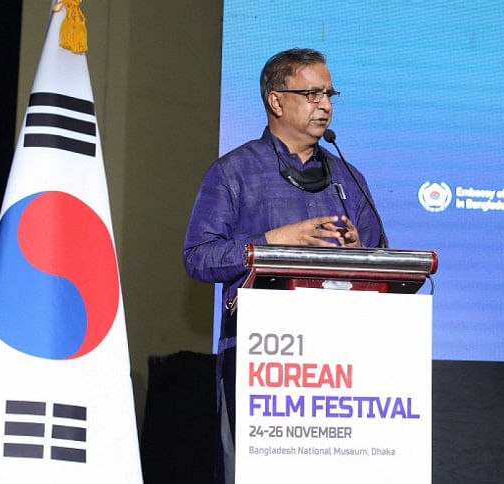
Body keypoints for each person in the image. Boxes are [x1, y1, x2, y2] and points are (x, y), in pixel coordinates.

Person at [182, 48, 384, 481]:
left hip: (343, 366)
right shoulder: (233, 172)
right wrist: (273, 242)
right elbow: (198, 257)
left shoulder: (349, 179)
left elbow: (383, 264)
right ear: (276, 101)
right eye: (312, 94)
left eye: (329, 94)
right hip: (264, 367)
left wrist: (359, 249)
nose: (324, 105)